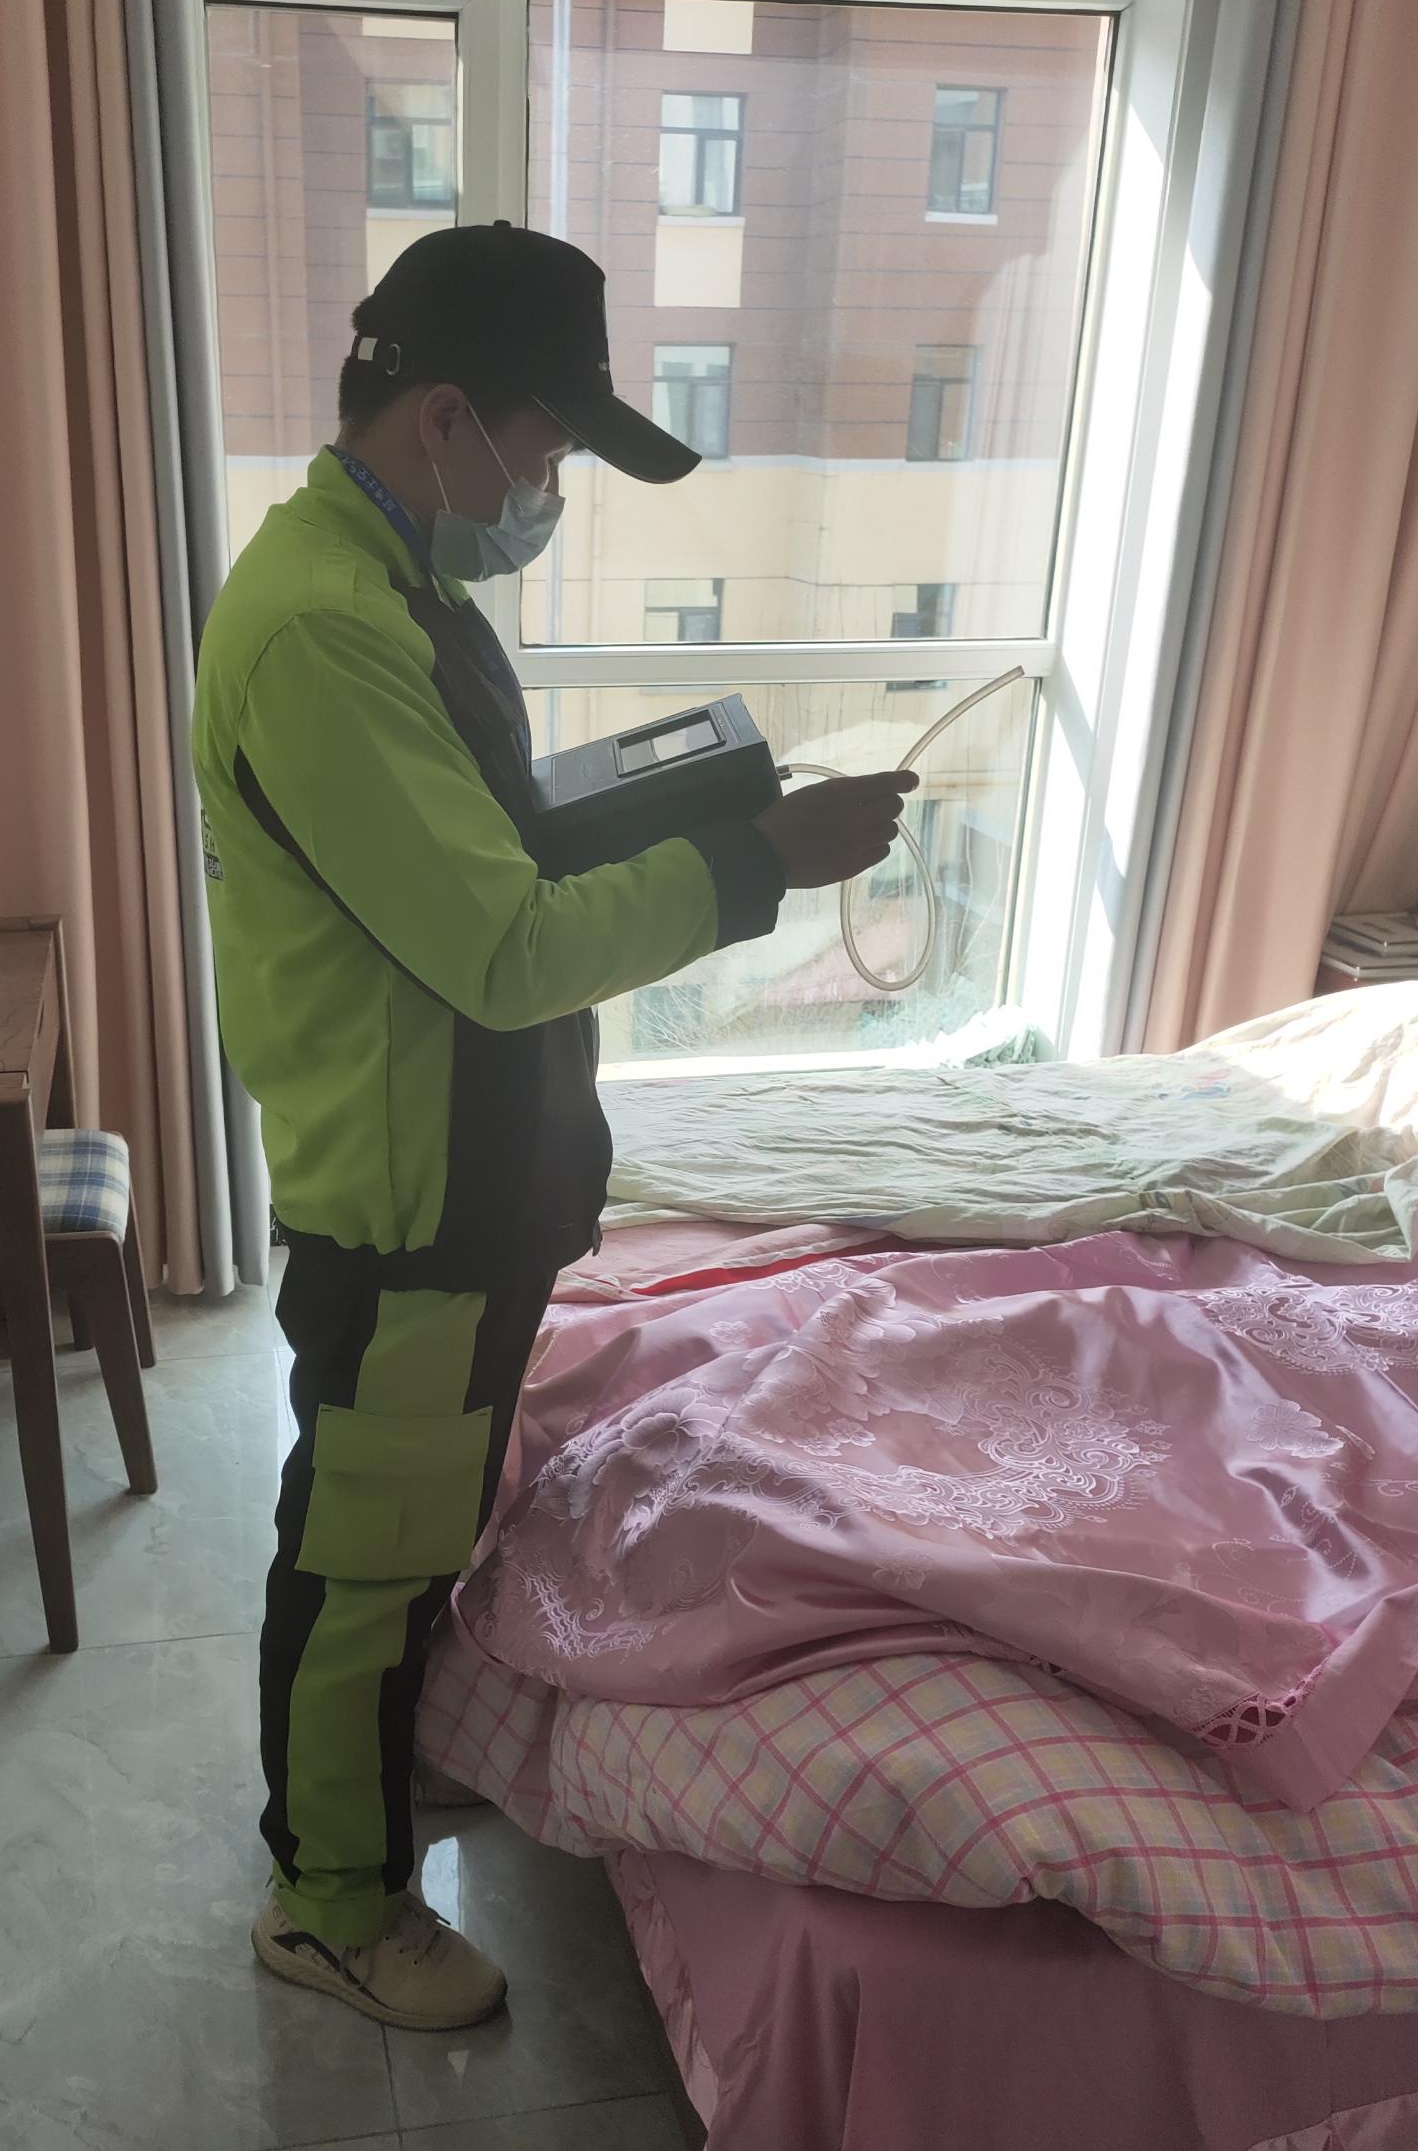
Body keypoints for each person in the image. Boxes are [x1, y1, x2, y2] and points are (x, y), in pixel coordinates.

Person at [191, 222, 913, 2032]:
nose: (551, 492)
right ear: (447, 418)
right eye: (552, 450)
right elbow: (504, 950)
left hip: (466, 1153)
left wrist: (704, 808)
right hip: (409, 1180)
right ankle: (329, 1902)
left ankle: (361, 1778)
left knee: (412, 1515)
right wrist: (754, 867)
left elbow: (485, 846)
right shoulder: (323, 631)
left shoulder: (388, 582)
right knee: (365, 1542)